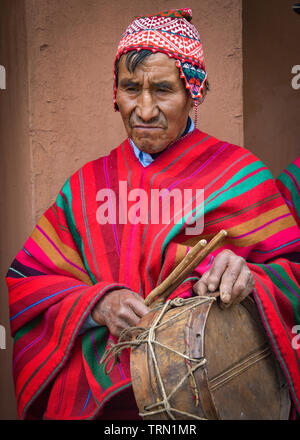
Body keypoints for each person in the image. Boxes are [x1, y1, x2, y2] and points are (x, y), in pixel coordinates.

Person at [6, 8, 300, 420]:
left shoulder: (240, 175)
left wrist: (251, 277)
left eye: (162, 90)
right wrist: (97, 302)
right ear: (116, 93)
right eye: (131, 89)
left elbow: (293, 273)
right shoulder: (87, 186)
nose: (144, 110)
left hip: (206, 400)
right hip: (110, 406)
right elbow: (29, 282)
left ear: (192, 93)